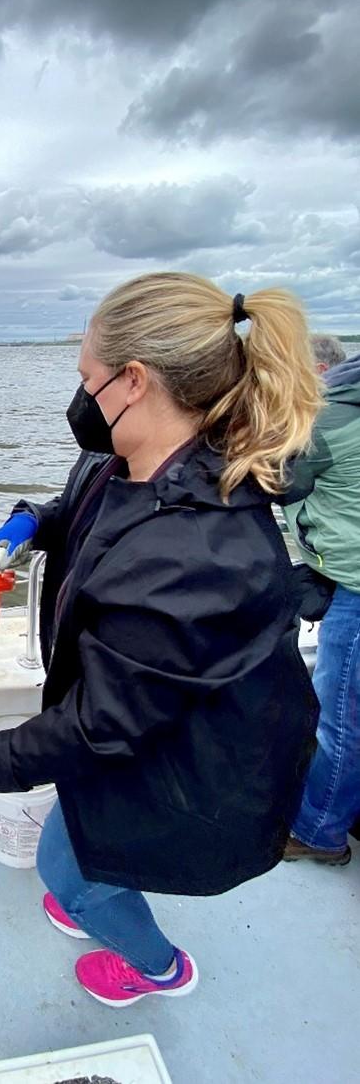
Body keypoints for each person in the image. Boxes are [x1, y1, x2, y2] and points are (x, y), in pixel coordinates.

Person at [0, 273, 322, 1008]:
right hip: (142, 719)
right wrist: (31, 521)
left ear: (133, 379)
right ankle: (100, 886)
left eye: (88, 377)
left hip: (182, 757)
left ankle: (156, 965)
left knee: (66, 866)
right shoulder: (124, 456)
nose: (80, 396)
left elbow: (105, 724)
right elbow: (83, 507)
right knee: (85, 844)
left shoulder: (194, 551)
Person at [282, 348, 360, 864]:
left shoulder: (328, 416)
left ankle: (319, 832)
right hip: (343, 577)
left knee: (337, 716)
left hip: (355, 591)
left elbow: (265, 478)